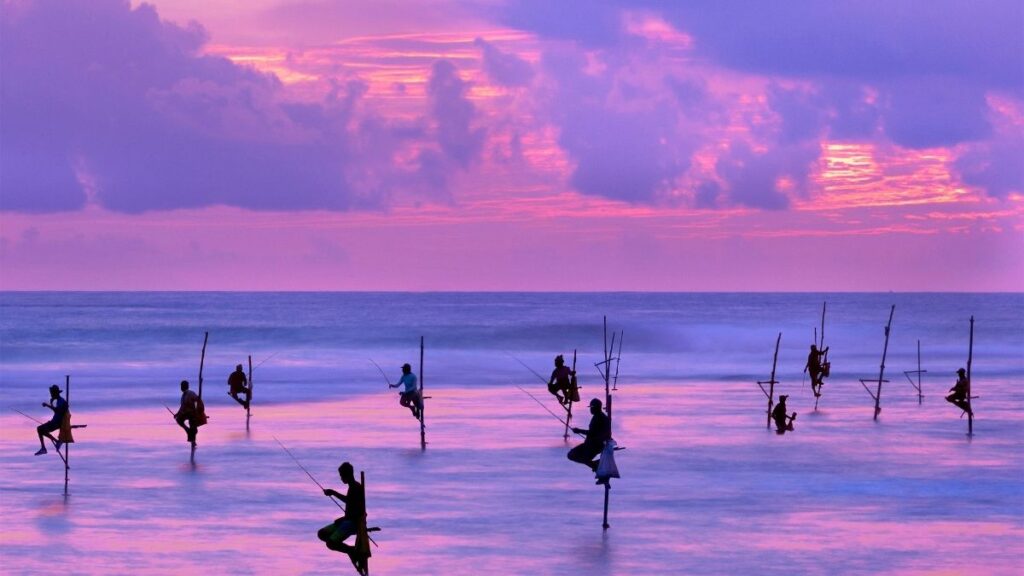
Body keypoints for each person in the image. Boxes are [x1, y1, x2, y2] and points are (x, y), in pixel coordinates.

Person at [318, 462, 369, 575]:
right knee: (322, 533)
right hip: (347, 520)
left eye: (341, 476)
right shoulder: (352, 487)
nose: (341, 478)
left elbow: (355, 510)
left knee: (331, 543)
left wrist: (333, 493)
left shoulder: (355, 487)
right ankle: (350, 550)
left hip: (353, 523)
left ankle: (351, 551)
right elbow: (349, 503)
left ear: (347, 475)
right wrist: (333, 493)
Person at [568, 398, 611, 480]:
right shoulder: (597, 416)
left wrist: (579, 430)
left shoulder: (599, 418)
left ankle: (597, 466)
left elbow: (592, 433)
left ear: (596, 407)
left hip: (594, 445)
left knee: (579, 457)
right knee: (572, 455)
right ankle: (595, 465)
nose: (590, 409)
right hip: (590, 444)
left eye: (591, 407)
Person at [35, 384, 68, 456]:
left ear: (55, 393)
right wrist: (51, 403)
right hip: (54, 422)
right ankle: (55, 442)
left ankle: (46, 447)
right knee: (41, 430)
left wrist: (48, 405)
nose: (51, 394)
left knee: (40, 429)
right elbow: (57, 411)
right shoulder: (59, 401)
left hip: (56, 423)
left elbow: (57, 411)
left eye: (51, 393)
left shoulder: (61, 401)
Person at [174, 380, 200, 445]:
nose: (181, 388)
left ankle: (193, 441)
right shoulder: (183, 395)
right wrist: (177, 414)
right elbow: (182, 406)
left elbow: (197, 401)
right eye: (181, 386)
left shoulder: (191, 393)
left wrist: (196, 410)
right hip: (186, 413)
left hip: (192, 413)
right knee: (178, 419)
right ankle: (187, 430)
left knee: (193, 428)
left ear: (184, 387)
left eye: (182, 386)